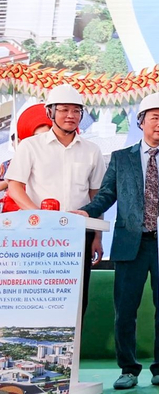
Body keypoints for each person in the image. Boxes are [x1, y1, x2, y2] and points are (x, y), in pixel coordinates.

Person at [76, 93, 159, 390]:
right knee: (125, 310)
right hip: (130, 243)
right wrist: (86, 211)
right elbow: (106, 195)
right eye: (155, 118)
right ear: (141, 121)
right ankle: (128, 369)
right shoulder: (121, 158)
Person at [5, 88, 105, 319]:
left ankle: (72, 354)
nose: (70, 115)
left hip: (79, 233)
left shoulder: (92, 150)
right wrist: (40, 216)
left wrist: (97, 237)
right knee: (36, 293)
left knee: (78, 295)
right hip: (37, 233)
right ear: (50, 112)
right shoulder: (30, 146)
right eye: (64, 110)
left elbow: (96, 196)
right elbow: (15, 186)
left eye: (76, 110)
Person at [1, 104, 53, 213]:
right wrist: (10, 181)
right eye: (36, 136)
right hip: (14, 215)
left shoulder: (54, 163)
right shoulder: (7, 165)